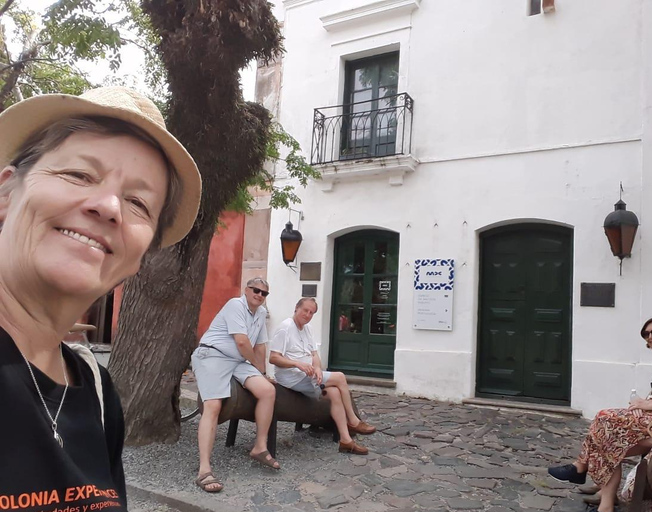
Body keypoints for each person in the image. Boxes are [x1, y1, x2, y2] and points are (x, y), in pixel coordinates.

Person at [0, 87, 201, 511]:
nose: (109, 206)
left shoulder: (96, 389)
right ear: (6, 193)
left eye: (138, 203)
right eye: (78, 175)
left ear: (139, 257)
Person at [548, 299, 652, 512]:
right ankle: (605, 501)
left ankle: (582, 469)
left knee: (604, 419)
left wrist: (647, 405)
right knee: (606, 436)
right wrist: (647, 404)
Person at [191, 278, 279, 492]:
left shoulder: (260, 314)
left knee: (268, 391)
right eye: (256, 290)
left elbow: (260, 345)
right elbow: (242, 342)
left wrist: (263, 373)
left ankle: (259, 446)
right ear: (246, 290)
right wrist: (255, 366)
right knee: (213, 405)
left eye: (264, 293)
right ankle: (204, 469)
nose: (259, 295)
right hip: (212, 354)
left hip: (238, 360)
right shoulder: (235, 305)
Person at [581, 315, 652, 505]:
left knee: (605, 426)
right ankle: (604, 488)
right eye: (646, 334)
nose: (650, 337)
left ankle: (600, 489)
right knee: (604, 430)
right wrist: (641, 404)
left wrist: (645, 406)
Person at [270, 297, 376, 455]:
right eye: (305, 310)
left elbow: (314, 355)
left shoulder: (308, 328)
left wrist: (318, 368)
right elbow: (273, 358)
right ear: (296, 308)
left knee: (334, 393)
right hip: (291, 377)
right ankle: (353, 421)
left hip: (308, 375)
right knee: (339, 377)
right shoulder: (285, 327)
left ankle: (345, 441)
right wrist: (297, 364)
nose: (307, 314)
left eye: (311, 312)